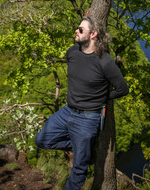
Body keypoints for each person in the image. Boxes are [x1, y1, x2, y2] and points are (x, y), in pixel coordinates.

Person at [35, 16, 129, 190]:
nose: (76, 32)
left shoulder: (105, 61)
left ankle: (82, 151)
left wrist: (103, 97)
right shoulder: (72, 52)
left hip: (88, 119)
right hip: (66, 112)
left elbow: (123, 89)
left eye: (80, 30)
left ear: (93, 34)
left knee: (79, 169)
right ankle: (83, 148)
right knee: (42, 140)